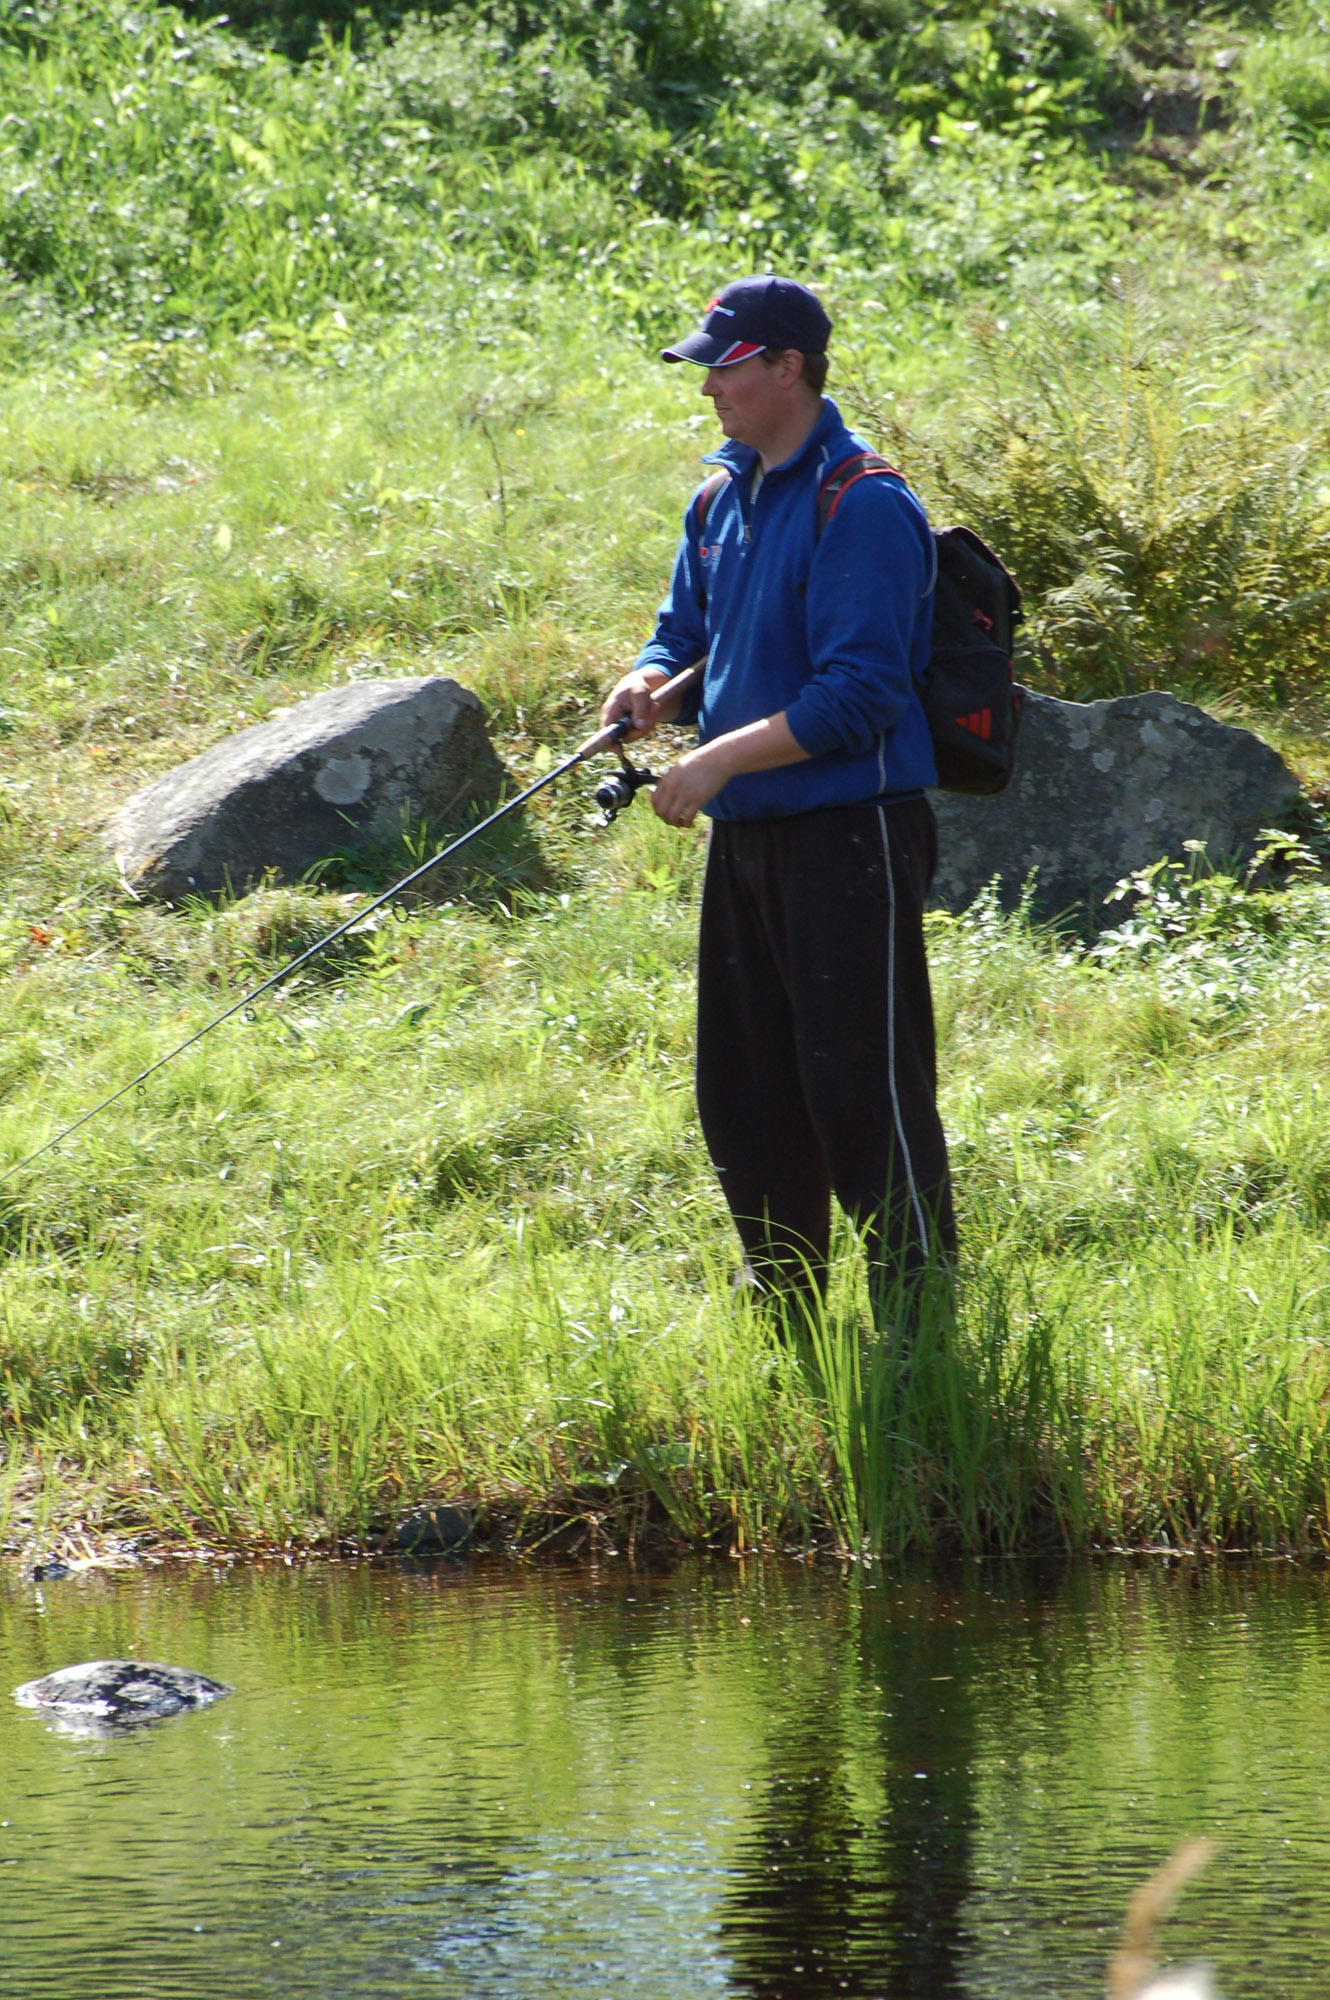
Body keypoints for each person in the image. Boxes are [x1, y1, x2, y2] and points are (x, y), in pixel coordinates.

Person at [600, 274, 955, 1327]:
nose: (706, 384)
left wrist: (711, 765)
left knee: (862, 1089)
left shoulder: (867, 503)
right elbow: (687, 635)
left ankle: (915, 1314)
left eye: (724, 364)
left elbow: (859, 697)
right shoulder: (718, 498)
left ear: (786, 367)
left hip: (852, 833)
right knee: (747, 1090)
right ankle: (783, 1305)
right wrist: (648, 682)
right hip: (750, 841)